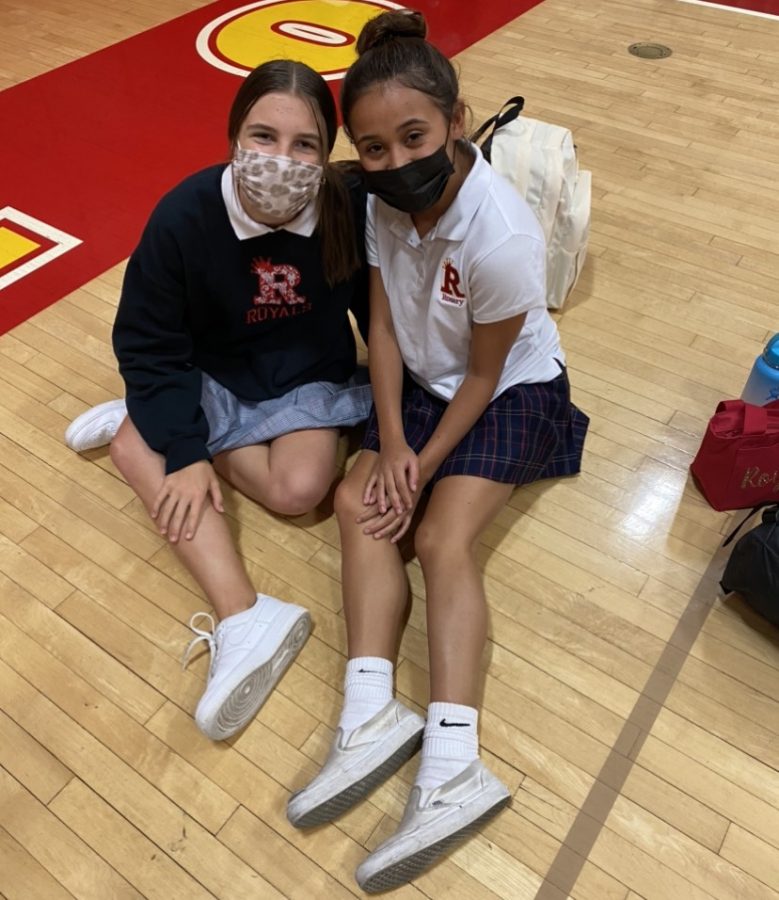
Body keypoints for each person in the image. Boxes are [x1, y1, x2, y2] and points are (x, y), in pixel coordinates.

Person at [285, 10, 589, 892]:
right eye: (371, 148)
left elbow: (487, 376)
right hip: (421, 384)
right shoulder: (381, 203)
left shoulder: (500, 236)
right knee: (355, 501)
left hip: (508, 391)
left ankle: (456, 764)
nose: (392, 162)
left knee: (437, 539)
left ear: (457, 122)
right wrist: (388, 443)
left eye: (412, 137)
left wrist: (421, 463)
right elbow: (379, 324)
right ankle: (370, 715)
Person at [65, 60, 372, 742]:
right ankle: (244, 616)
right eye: (262, 136)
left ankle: (144, 419)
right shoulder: (184, 215)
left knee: (299, 491)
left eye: (305, 145)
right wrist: (182, 449)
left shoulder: (343, 209)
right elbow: (146, 341)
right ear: (232, 136)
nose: (281, 160)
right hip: (213, 371)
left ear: (326, 153)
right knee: (143, 449)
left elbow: (379, 318)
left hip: (305, 375)